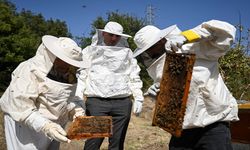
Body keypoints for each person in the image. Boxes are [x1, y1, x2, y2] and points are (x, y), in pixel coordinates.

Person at [133, 20, 239, 150]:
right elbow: (173, 97)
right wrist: (157, 94)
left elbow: (226, 31)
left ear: (160, 41)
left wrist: (186, 36)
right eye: (146, 51)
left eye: (150, 48)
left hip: (213, 124)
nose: (148, 53)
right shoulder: (158, 67)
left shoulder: (196, 47)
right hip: (181, 130)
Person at [0, 35, 90, 150]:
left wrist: (76, 111)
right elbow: (20, 105)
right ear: (55, 57)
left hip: (55, 126)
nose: (70, 66)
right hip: (26, 126)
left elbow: (70, 97)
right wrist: (46, 126)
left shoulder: (68, 72)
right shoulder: (29, 69)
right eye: (66, 62)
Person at [75, 21, 144, 150]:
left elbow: (134, 75)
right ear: (103, 33)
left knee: (117, 144)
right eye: (111, 35)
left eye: (117, 36)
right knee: (92, 143)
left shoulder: (127, 53)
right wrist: (78, 100)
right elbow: (82, 76)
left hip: (122, 103)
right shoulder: (90, 51)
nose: (114, 38)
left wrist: (138, 97)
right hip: (96, 103)